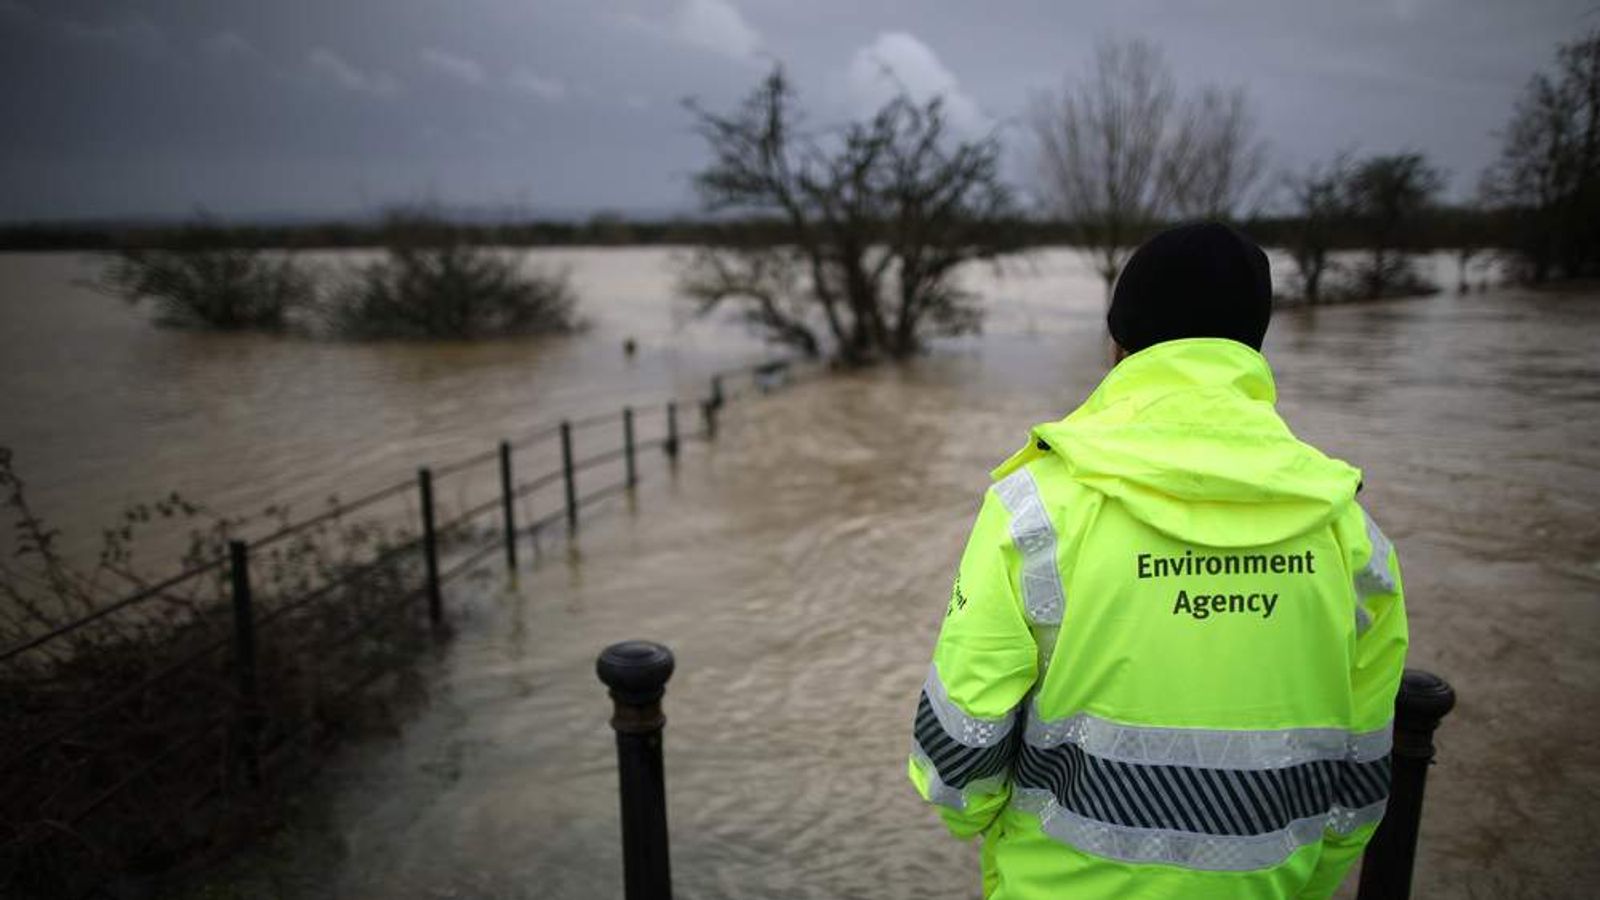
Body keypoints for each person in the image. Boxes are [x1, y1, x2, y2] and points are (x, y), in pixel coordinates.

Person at [908, 222, 1408, 899]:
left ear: (1119, 344)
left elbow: (957, 764)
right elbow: (1361, 784)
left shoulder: (1035, 512)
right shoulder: (1351, 533)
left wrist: (995, 830)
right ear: (1253, 345)